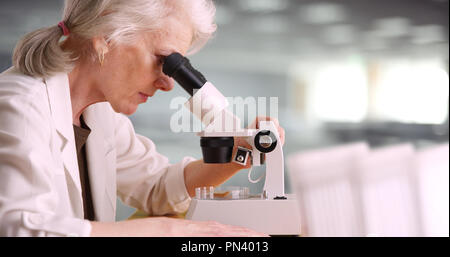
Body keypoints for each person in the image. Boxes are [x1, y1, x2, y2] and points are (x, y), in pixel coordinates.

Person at [0, 0, 285, 237]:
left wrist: (238, 152)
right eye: (163, 60)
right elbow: (18, 228)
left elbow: (158, 186)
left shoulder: (99, 114)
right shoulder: (19, 106)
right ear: (106, 37)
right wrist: (168, 231)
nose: (168, 83)